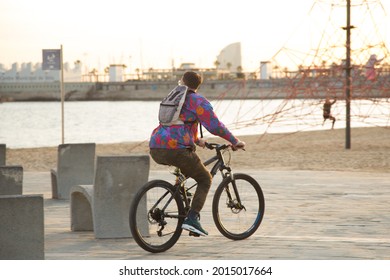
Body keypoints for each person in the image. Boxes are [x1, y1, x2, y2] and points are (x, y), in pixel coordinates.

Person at [149, 71, 245, 236]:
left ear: (182, 81)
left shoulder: (174, 96)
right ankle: (192, 219)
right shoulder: (198, 100)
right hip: (176, 149)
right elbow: (215, 126)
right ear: (198, 85)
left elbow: (179, 123)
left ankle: (182, 196)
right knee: (205, 179)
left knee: (187, 170)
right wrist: (234, 141)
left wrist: (196, 139)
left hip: (156, 146)